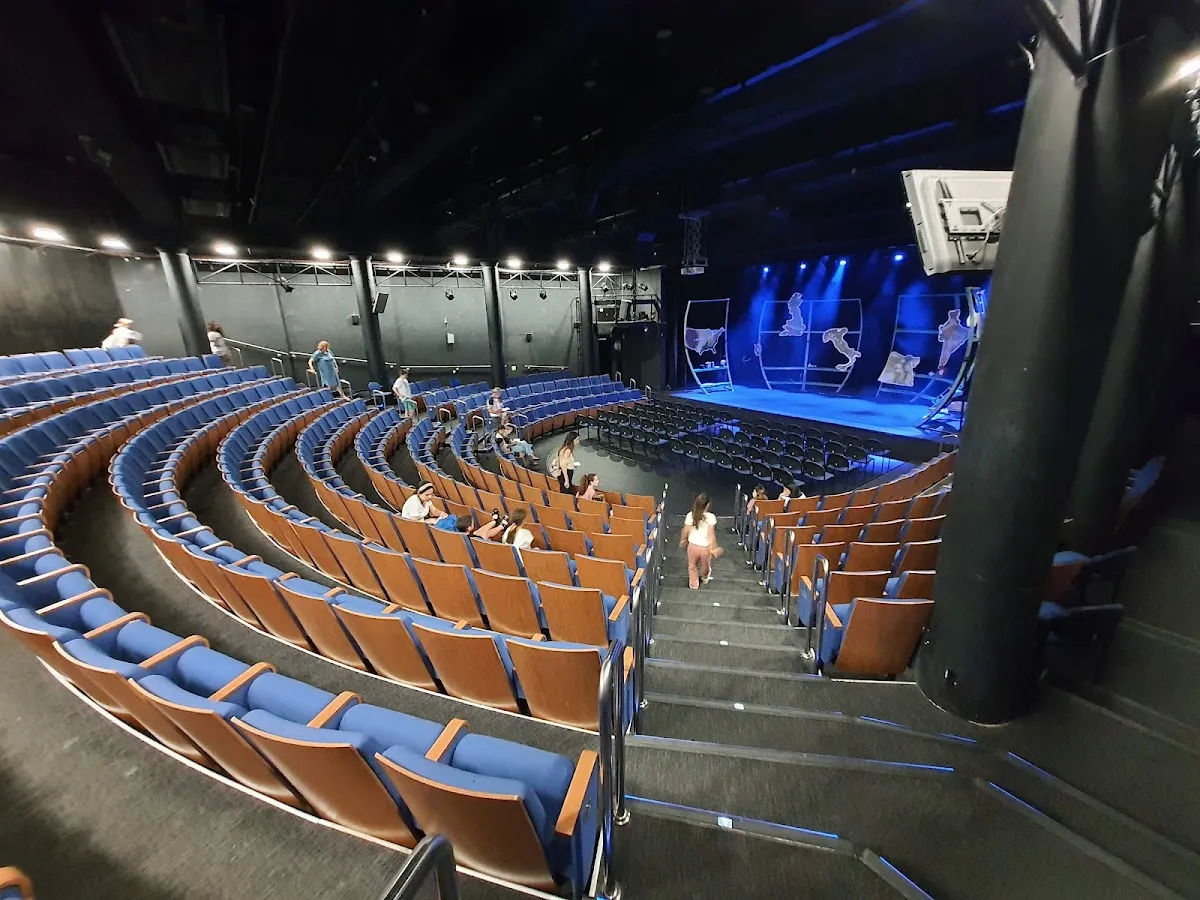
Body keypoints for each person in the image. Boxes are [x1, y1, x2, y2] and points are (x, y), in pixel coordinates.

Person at [680, 493, 722, 589]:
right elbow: (711, 534)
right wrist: (713, 547)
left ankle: (693, 584)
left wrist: (683, 540)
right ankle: (705, 576)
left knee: (692, 566)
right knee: (705, 566)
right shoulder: (711, 517)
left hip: (692, 546)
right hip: (705, 547)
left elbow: (685, 530)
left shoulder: (690, 515)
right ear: (708, 505)